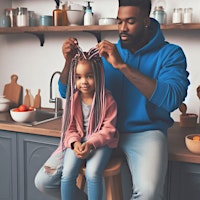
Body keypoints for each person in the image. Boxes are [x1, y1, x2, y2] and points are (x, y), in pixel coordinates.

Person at [57, 0, 190, 199]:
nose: (122, 28)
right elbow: (65, 92)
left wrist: (122, 66)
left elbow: (171, 99)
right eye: (119, 22)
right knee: (45, 181)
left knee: (149, 193)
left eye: (130, 21)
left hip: (145, 132)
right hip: (99, 129)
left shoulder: (171, 54)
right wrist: (68, 63)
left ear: (146, 21)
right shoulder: (103, 53)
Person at [35, 47, 119, 200]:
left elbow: (109, 130)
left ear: (99, 76)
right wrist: (74, 144)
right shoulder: (72, 101)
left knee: (93, 173)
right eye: (79, 77)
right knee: (67, 174)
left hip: (100, 143)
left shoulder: (108, 100)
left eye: (89, 76)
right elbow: (69, 128)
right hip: (78, 141)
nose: (83, 82)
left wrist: (91, 144)